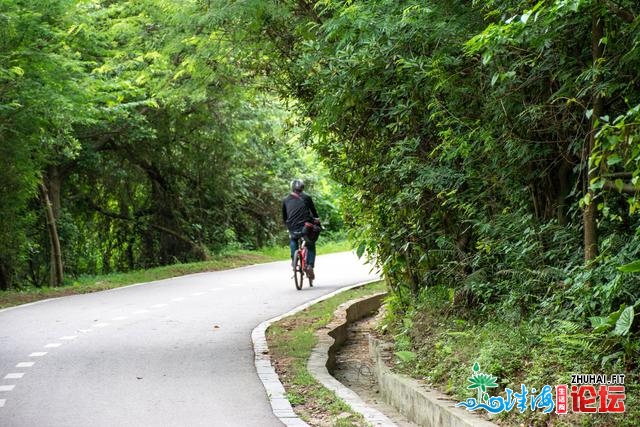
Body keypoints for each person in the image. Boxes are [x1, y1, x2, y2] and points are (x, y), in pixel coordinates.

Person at [282, 179, 320, 279]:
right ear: (302, 187)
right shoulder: (307, 198)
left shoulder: (286, 200)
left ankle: (294, 259)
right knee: (310, 244)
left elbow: (284, 216)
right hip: (306, 226)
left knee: (293, 239)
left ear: (292, 187)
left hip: (292, 226)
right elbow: (314, 212)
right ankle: (310, 265)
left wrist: (288, 224)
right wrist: (317, 221)